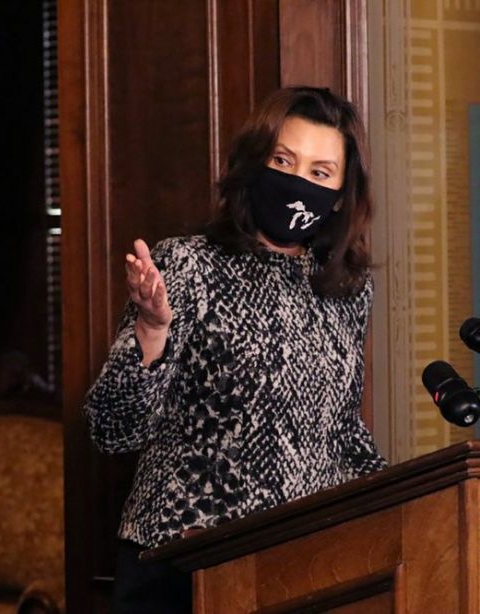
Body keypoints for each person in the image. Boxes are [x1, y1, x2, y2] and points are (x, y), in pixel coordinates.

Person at [83, 86, 388, 613]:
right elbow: (113, 429)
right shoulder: (187, 264)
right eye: (283, 161)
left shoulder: (347, 288)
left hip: (302, 567)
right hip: (183, 568)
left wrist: (403, 499)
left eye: (319, 173)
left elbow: (340, 432)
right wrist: (151, 332)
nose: (297, 183)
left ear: (340, 194)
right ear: (254, 164)